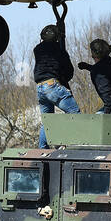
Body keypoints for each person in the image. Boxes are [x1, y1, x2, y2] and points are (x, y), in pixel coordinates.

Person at [33, 19, 79, 148]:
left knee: (47, 122)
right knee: (74, 112)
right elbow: (69, 70)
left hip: (40, 88)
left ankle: (43, 150)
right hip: (52, 86)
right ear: (56, 37)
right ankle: (73, 145)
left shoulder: (37, 49)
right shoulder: (59, 50)